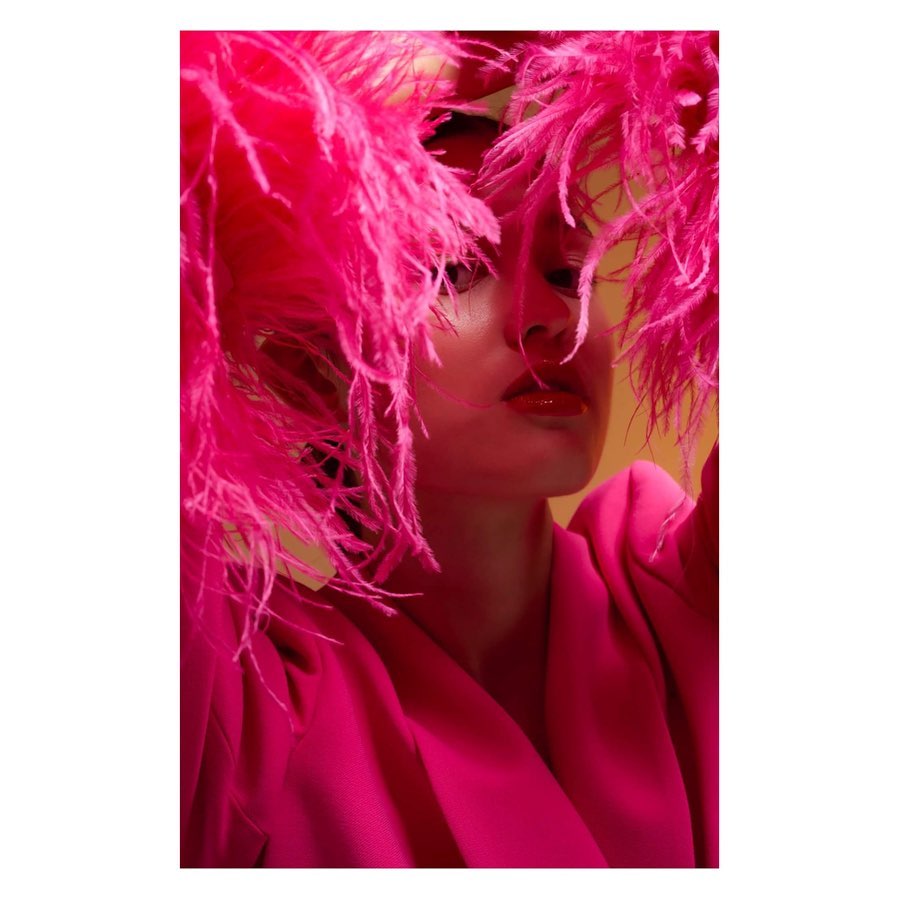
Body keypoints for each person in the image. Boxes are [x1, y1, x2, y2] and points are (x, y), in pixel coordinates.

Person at [181, 31, 718, 868]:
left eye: (568, 272)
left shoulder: (688, 593)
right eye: (451, 270)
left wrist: (657, 62)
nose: (551, 317)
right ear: (310, 371)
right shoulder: (247, 697)